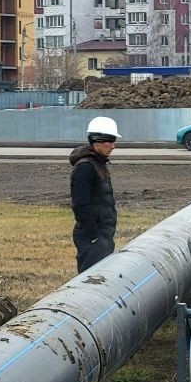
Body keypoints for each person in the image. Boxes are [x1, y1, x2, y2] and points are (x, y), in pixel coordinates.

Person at [70, 116, 120, 273]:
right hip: (92, 237)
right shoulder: (86, 168)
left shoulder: (98, 164)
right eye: (110, 141)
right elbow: (80, 205)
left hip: (102, 236)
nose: (113, 146)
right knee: (90, 279)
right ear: (97, 141)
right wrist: (94, 237)